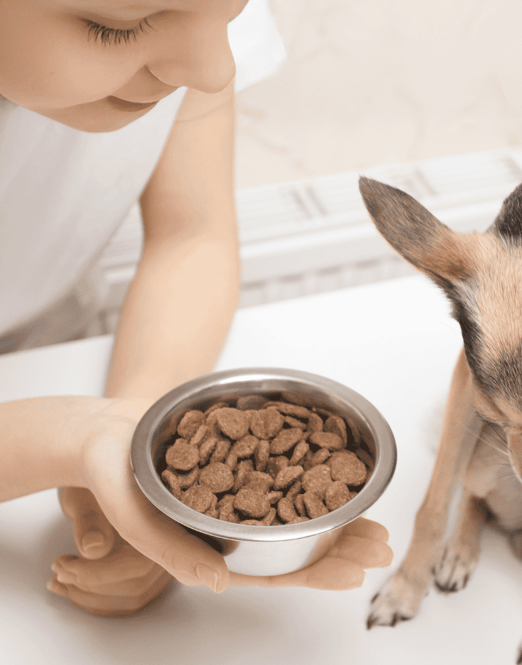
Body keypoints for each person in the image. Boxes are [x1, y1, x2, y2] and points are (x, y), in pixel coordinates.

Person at [0, 0, 392, 617]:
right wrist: (56, 442)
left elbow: (192, 236)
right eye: (115, 28)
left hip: (50, 347)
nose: (214, 68)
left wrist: (135, 451)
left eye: (230, 15)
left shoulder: (189, 28)